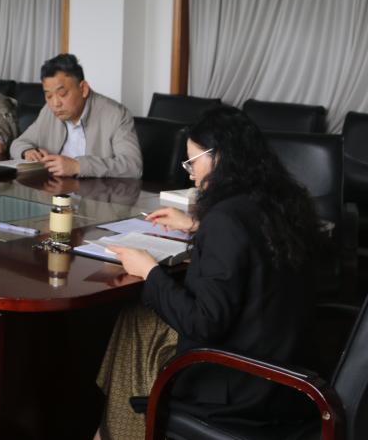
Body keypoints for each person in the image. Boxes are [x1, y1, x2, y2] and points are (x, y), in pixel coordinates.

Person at [95, 107, 321, 440]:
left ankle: (117, 432)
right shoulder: (284, 201)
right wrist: (197, 225)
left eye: (193, 162)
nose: (190, 174)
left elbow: (204, 324)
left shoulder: (225, 219)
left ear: (219, 158)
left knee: (136, 323)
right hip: (290, 369)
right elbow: (256, 244)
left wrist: (149, 271)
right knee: (140, 322)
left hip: (242, 387)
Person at [8, 53, 141, 178]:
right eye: (49, 96)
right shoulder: (48, 111)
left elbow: (133, 166)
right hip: (55, 189)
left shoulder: (116, 115)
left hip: (96, 192)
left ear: (83, 89)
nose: (55, 103)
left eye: (63, 94)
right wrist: (27, 151)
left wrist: (79, 166)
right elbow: (18, 143)